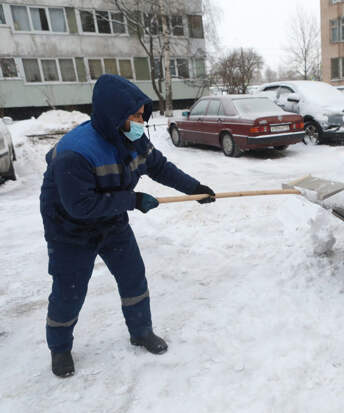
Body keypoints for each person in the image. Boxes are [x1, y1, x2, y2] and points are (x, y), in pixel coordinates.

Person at [40, 74, 216, 378]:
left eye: (142, 114)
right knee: (69, 291)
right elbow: (80, 206)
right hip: (69, 227)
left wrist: (194, 188)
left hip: (111, 219)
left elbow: (159, 167)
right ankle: (60, 348)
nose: (140, 121)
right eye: (134, 115)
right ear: (114, 116)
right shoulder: (76, 152)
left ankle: (141, 331)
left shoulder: (133, 139)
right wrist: (132, 200)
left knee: (133, 275)